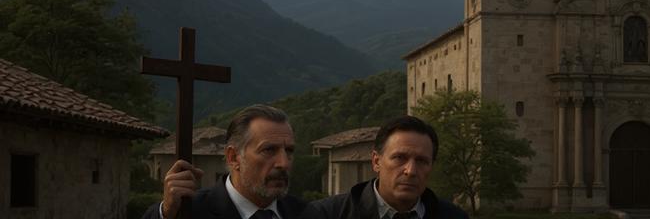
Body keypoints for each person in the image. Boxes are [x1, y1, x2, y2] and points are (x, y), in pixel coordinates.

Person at [142, 104, 307, 219]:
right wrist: (167, 213)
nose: (284, 163)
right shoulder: (190, 212)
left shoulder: (306, 213)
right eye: (269, 150)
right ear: (233, 157)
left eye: (289, 151)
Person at [304, 115, 468, 219]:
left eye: (422, 161)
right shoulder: (326, 214)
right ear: (376, 162)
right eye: (399, 158)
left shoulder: (454, 216)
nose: (410, 171)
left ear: (431, 166)